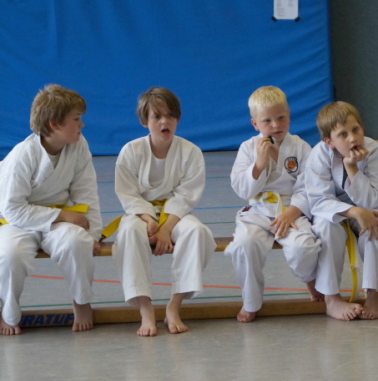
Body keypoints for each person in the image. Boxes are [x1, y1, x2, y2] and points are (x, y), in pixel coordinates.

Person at [0, 84, 102, 335]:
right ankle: (8, 311)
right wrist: (62, 214)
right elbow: (12, 209)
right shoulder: (22, 155)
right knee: (10, 254)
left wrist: (94, 235)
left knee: (77, 241)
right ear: (55, 124)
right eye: (76, 119)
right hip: (17, 221)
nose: (82, 124)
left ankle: (81, 301)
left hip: (56, 220)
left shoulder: (78, 145)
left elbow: (87, 193)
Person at [113, 87, 216, 336]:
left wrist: (165, 229)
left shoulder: (191, 152)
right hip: (141, 214)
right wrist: (149, 220)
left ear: (177, 118)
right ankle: (145, 308)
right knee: (128, 233)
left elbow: (186, 196)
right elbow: (128, 194)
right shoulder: (131, 151)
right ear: (144, 121)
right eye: (157, 116)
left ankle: (174, 306)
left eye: (170, 115)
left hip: (175, 216)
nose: (164, 122)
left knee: (198, 232)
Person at [224, 86, 321, 323]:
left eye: (281, 117)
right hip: (257, 210)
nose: (276, 125)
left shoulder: (300, 147)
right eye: (267, 120)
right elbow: (241, 189)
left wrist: (292, 213)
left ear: (289, 116)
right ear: (255, 124)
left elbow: (309, 186)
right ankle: (251, 301)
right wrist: (258, 164)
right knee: (245, 244)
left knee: (304, 248)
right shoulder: (248, 148)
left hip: (292, 210)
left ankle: (310, 279)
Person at [305, 101, 378, 321]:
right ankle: (332, 299)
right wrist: (354, 212)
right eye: (343, 134)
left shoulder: (373, 150)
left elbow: (372, 200)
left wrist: (351, 168)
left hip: (365, 208)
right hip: (332, 212)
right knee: (326, 228)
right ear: (329, 141)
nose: (353, 138)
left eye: (355, 129)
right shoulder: (319, 154)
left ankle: (374, 294)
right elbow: (319, 201)